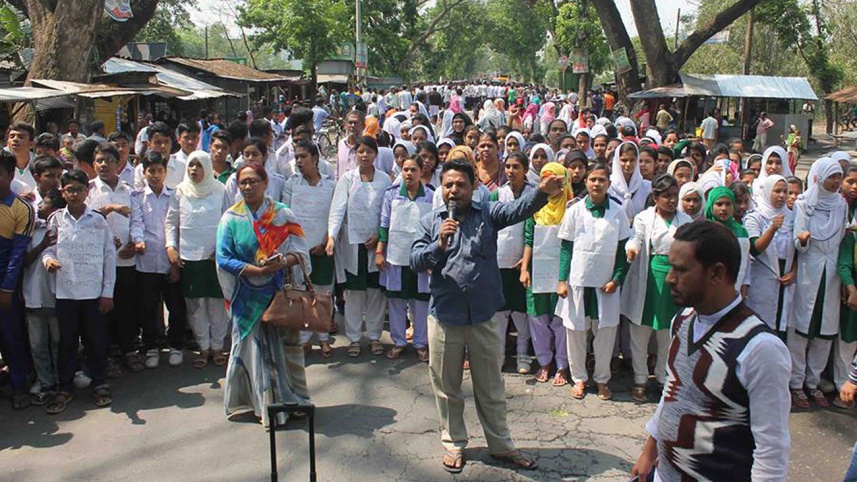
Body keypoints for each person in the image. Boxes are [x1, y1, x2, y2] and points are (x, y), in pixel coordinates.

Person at [410, 158, 562, 474]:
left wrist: (541, 193)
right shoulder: (431, 221)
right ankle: (453, 443)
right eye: (448, 184)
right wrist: (438, 244)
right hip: (444, 316)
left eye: (461, 184)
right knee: (446, 386)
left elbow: (518, 210)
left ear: (473, 187)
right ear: (441, 188)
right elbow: (415, 259)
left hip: (483, 317)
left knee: (491, 387)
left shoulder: (488, 214)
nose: (454, 190)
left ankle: (501, 445)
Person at [631, 221, 791, 481]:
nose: (670, 278)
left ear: (717, 273)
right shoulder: (683, 321)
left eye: (681, 270)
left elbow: (771, 451)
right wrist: (650, 451)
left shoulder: (761, 349)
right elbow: (672, 394)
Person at [217, 163, 310, 427]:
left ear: (265, 182)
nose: (248, 187)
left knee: (283, 350)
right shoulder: (231, 218)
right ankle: (258, 405)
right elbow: (223, 258)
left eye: (253, 181)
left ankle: (293, 401)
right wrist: (254, 270)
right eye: (243, 182)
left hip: (279, 295)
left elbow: (301, 253)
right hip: (245, 298)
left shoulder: (283, 215)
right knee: (251, 351)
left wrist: (281, 263)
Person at [42, 169, 116, 414]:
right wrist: (48, 261)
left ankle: (99, 383)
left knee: (96, 340)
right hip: (66, 293)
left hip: (94, 293)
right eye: (69, 190)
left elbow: (108, 257)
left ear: (88, 191)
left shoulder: (98, 221)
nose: (74, 194)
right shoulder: (55, 220)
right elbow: (48, 249)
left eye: (79, 189)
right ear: (62, 192)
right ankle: (65, 386)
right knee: (67, 342)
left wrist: (107, 292)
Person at [556, 165, 632, 401]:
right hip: (578, 282)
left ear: (609, 183)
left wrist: (617, 279)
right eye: (592, 179)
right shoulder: (575, 211)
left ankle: (601, 380)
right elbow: (566, 247)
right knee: (576, 333)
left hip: (606, 285)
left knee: (605, 334)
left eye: (602, 180)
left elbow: (623, 251)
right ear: (586, 182)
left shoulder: (618, 212)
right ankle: (579, 378)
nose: (597, 184)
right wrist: (561, 280)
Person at [622, 174, 692, 403]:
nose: (672, 201)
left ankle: (663, 378)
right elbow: (636, 238)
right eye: (666, 196)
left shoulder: (686, 221)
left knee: (667, 333)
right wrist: (631, 249)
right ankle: (640, 379)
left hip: (675, 277)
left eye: (675, 196)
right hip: (649, 276)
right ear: (655, 197)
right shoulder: (644, 218)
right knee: (641, 331)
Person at [788, 157, 847, 408]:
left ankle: (813, 383)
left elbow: (842, 234)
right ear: (819, 177)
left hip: (831, 274)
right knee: (802, 330)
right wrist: (802, 240)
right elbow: (798, 244)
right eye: (831, 177)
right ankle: (796, 384)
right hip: (808, 272)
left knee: (824, 333)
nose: (835, 182)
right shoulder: (803, 204)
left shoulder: (841, 205)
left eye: (837, 177)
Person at [327, 136, 391, 357]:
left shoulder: (384, 180)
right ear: (354, 155)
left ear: (376, 154)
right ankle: (354, 338)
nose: (364, 155)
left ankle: (374, 337)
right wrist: (332, 237)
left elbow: (389, 211)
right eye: (360, 151)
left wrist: (381, 236)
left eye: (369, 151)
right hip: (352, 244)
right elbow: (337, 209)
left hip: (376, 245)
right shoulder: (347, 179)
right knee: (354, 294)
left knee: (375, 294)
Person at [165, 151, 231, 369]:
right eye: (191, 166)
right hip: (189, 257)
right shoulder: (180, 192)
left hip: (215, 258)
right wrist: (171, 247)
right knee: (195, 305)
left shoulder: (220, 191)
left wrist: (223, 248)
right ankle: (203, 348)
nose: (194, 170)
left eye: (199, 165)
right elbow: (171, 222)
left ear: (207, 167)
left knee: (217, 303)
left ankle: (218, 346)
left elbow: (230, 221)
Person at [85, 142, 139, 374]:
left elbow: (137, 220)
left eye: (108, 160)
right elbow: (87, 221)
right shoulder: (89, 190)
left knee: (127, 307)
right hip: (101, 262)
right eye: (99, 161)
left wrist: (134, 243)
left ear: (118, 164)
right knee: (104, 309)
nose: (103, 165)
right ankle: (106, 355)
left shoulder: (129, 190)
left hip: (126, 259)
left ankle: (129, 350)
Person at [130, 152, 187, 369]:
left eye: (159, 171)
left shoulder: (174, 196)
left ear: (165, 172)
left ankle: (176, 345)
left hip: (168, 260)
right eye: (150, 171)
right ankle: (151, 347)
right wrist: (138, 240)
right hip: (145, 262)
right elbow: (136, 223)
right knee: (147, 308)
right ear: (144, 173)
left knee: (175, 307)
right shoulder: (137, 197)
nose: (155, 175)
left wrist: (175, 263)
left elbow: (177, 227)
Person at [375, 155, 434, 361]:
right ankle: (399, 341)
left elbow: (434, 227)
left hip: (420, 256)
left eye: (413, 169)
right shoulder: (391, 195)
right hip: (395, 256)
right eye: (405, 169)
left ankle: (420, 343)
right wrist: (380, 251)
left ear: (421, 171)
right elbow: (384, 225)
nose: (409, 173)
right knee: (397, 301)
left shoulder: (430, 195)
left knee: (420, 302)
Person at [282, 140, 336, 358]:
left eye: (303, 156)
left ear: (315, 159)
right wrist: (294, 248)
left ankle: (323, 338)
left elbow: (334, 216)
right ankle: (304, 340)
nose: (299, 161)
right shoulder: (291, 184)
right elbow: (285, 216)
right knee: (301, 293)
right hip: (298, 251)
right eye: (296, 157)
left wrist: (325, 242)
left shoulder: (331, 185)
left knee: (323, 294)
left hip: (322, 249)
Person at [520, 162, 570, 386]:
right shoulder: (535, 208)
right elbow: (529, 240)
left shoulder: (572, 208)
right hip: (537, 271)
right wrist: (524, 269)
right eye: (546, 181)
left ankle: (562, 365)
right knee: (538, 318)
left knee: (560, 320)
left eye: (556, 181)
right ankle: (544, 362)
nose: (551, 186)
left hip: (562, 273)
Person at [490, 151, 534, 374]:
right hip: (498, 261)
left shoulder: (533, 194)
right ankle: (498, 355)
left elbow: (533, 230)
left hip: (523, 263)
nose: (511, 171)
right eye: (507, 166)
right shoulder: (497, 194)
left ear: (525, 169)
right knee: (499, 313)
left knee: (521, 312)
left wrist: (527, 260)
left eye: (516, 166)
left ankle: (523, 354)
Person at [0, 150, 35, 410]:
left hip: (6, 285)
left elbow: (17, 253)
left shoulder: (21, 209)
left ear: (11, 175)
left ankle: (20, 384)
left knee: (12, 337)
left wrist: (7, 288)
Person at [745, 174, 795, 339]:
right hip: (762, 279)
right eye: (777, 191)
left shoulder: (793, 216)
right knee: (759, 328)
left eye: (785, 191)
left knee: (781, 328)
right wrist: (772, 229)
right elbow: (754, 249)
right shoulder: (755, 216)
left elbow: (799, 249)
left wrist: (793, 271)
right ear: (767, 192)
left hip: (785, 280)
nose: (782, 196)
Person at [704, 187, 751, 290]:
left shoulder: (741, 232)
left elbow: (746, 262)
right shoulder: (703, 231)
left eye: (728, 204)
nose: (724, 208)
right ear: (711, 205)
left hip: (735, 288)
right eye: (719, 204)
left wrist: (744, 285)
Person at [609, 141, 652, 220]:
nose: (628, 164)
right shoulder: (608, 185)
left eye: (632, 160)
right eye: (624, 160)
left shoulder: (647, 187)